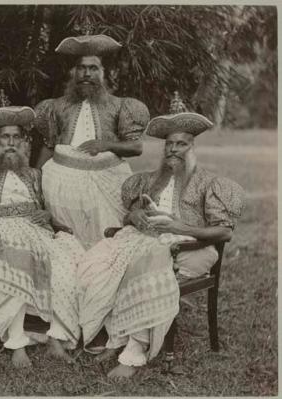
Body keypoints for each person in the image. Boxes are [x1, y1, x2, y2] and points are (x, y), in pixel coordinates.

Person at [77, 93, 245, 378]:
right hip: (145, 240)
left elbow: (224, 232)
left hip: (193, 247)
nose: (174, 150)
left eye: (182, 144)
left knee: (148, 264)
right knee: (97, 261)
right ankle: (112, 336)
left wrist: (181, 229)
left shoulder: (208, 183)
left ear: (192, 147)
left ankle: (133, 351)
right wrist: (134, 216)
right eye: (169, 144)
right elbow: (128, 215)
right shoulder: (150, 180)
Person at [0, 105, 85, 368]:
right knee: (15, 258)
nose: (11, 143)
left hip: (34, 230)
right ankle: (16, 343)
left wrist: (48, 217)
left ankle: (56, 338)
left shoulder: (34, 174)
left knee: (67, 260)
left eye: (17, 137)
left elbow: (43, 210)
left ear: (25, 142)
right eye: (5, 137)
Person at [34, 30, 150, 249]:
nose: (87, 73)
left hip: (108, 181)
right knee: (67, 244)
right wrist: (36, 185)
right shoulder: (55, 106)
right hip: (61, 183)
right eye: (81, 68)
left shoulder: (120, 106)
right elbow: (48, 148)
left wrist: (105, 145)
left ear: (103, 73)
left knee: (104, 242)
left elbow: (136, 147)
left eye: (93, 68)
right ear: (73, 72)